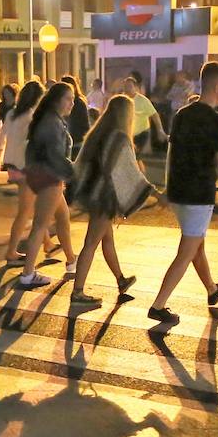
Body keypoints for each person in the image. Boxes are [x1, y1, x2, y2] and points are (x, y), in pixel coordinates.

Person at [146, 62, 218, 324]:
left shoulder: (182, 114)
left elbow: (171, 154)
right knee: (187, 250)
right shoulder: (216, 121)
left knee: (196, 244)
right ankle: (158, 305)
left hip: (181, 191)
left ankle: (212, 288)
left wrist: (168, 189)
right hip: (199, 194)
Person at [66, 95, 152, 306]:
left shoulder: (99, 133)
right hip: (105, 198)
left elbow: (84, 165)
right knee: (90, 243)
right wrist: (155, 193)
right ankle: (77, 292)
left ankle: (121, 280)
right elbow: (127, 171)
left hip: (94, 194)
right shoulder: (120, 138)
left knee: (107, 240)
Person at [18, 82, 78, 288]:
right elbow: (55, 155)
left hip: (43, 173)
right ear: (56, 100)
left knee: (63, 217)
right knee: (40, 225)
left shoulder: (50, 119)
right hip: (49, 175)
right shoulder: (51, 122)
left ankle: (71, 260)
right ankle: (27, 274)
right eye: (68, 98)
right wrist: (75, 172)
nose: (73, 102)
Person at [0, 81, 45, 265]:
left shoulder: (12, 113)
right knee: (25, 211)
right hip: (26, 167)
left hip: (13, 166)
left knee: (36, 206)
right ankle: (11, 251)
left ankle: (47, 242)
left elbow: (0, 139)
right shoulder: (32, 116)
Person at [123, 76, 166, 154]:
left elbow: (154, 115)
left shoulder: (143, 100)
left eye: (129, 86)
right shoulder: (122, 100)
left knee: (135, 155)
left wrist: (160, 130)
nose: (127, 89)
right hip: (128, 133)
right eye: (125, 86)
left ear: (135, 87)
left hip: (141, 133)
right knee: (132, 157)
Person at [61, 75, 90, 159]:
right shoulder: (79, 102)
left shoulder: (78, 103)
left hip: (76, 144)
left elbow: (84, 125)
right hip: (70, 143)